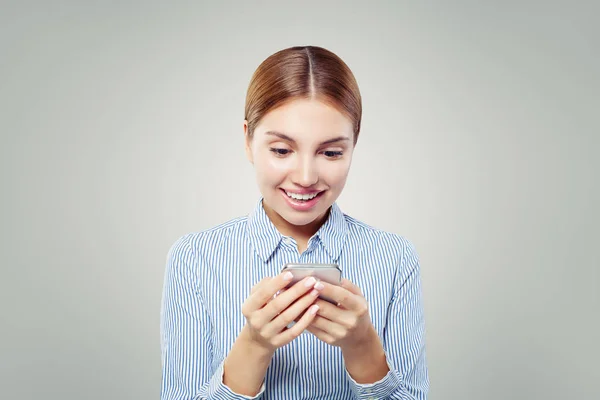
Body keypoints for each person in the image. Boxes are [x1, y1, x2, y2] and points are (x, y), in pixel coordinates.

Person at [160, 45, 429, 399]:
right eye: (282, 150)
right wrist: (254, 346)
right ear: (247, 140)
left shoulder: (394, 258)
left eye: (331, 152)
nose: (305, 177)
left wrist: (363, 348)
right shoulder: (195, 259)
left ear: (354, 146)